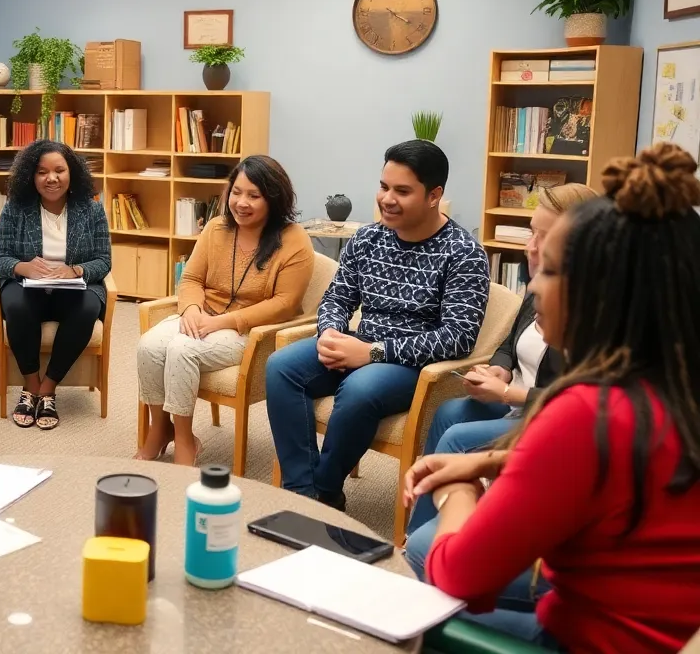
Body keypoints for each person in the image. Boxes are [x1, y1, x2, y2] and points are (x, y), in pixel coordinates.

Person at [404, 143, 700, 652]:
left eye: (551, 271)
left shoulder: (588, 412)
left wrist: (462, 494)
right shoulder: (675, 386)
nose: (535, 285)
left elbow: (461, 575)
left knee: (427, 557)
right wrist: (494, 459)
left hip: (588, 639)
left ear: (602, 292)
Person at [265, 140, 490, 509]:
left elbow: (458, 337)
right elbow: (336, 298)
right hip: (358, 343)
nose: (387, 199)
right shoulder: (368, 238)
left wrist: (372, 352)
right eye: (384, 187)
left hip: (410, 364)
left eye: (402, 191)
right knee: (281, 367)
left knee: (360, 388)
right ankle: (301, 491)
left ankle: (325, 490)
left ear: (434, 195)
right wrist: (331, 333)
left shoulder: (464, 253)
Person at [404, 183, 597, 535]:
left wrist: (506, 394)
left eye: (544, 236)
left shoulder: (590, 309)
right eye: (531, 232)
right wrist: (501, 368)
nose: (531, 246)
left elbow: (582, 401)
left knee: (458, 440)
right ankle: (423, 527)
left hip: (546, 414)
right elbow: (511, 341)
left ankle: (432, 537)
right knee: (449, 413)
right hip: (520, 399)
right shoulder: (541, 281)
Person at [134, 156, 314, 466]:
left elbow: (284, 304)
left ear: (274, 198)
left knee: (182, 349)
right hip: (203, 316)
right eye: (236, 192)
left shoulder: (294, 240)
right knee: (148, 346)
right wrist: (190, 308)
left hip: (250, 331)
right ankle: (160, 429)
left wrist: (223, 322)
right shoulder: (216, 229)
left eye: (253, 196)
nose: (241, 203)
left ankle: (186, 441)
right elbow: (191, 279)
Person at [0, 140, 111, 431]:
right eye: (42, 172)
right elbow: (0, 258)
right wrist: (23, 267)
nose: (51, 178)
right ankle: (30, 385)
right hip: (27, 287)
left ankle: (47, 389)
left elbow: (104, 261)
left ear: (72, 174)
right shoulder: (16, 208)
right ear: (31, 176)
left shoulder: (91, 210)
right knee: (17, 305)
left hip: (72, 289)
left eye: (59, 170)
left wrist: (76, 270)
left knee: (87, 309)